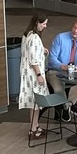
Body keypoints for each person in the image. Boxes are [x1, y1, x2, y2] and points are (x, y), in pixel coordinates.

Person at [46, 18, 77, 124]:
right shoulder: (60, 38)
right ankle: (66, 107)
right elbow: (52, 59)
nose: (75, 31)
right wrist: (63, 67)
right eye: (74, 28)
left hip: (72, 72)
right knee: (58, 89)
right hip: (55, 71)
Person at [17, 10, 49, 138]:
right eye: (44, 24)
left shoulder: (27, 35)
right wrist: (39, 75)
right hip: (34, 74)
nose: (45, 26)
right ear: (37, 23)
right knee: (36, 102)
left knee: (33, 102)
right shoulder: (35, 37)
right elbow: (34, 60)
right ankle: (33, 129)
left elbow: (30, 52)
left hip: (25, 72)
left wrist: (42, 50)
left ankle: (35, 126)